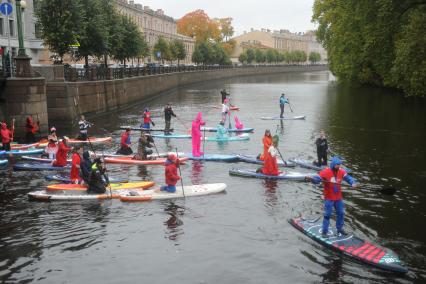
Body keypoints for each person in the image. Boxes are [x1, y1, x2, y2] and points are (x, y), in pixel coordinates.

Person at [306, 156, 357, 237]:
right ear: (333, 164)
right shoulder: (326, 171)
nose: (339, 166)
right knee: (327, 215)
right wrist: (311, 179)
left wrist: (353, 182)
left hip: (338, 198)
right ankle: (324, 232)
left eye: (339, 165)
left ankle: (339, 229)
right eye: (337, 165)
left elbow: (348, 178)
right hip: (329, 198)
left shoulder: (341, 171)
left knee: (341, 213)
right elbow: (317, 178)